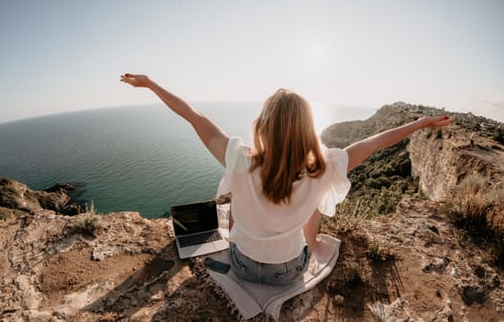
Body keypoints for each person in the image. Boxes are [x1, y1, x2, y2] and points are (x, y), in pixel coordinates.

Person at [120, 73, 452, 285]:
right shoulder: (324, 168)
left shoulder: (239, 158)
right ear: (307, 129)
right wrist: (420, 123)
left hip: (243, 266)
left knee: (229, 201)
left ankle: (228, 239)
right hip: (289, 272)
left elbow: (195, 116)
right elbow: (375, 142)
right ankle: (315, 243)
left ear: (262, 126)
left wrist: (149, 84)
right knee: (313, 207)